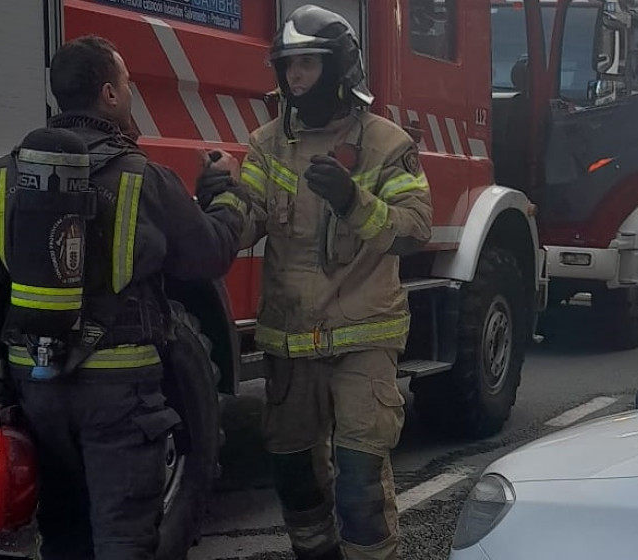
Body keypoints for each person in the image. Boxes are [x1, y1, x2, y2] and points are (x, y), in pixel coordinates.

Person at [0, 35, 248, 560]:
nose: (132, 92)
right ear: (109, 95)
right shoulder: (143, 179)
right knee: (124, 541)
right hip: (120, 397)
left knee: (63, 532)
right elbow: (209, 256)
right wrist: (223, 193)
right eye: (129, 83)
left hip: (36, 389)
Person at [234, 5, 433, 560]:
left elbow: (414, 230)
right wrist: (218, 205)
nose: (295, 77)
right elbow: (249, 213)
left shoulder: (387, 143)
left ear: (341, 67)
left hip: (362, 336)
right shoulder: (266, 143)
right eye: (288, 65)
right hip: (289, 340)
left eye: (308, 64)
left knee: (360, 483)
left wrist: (353, 201)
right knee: (297, 481)